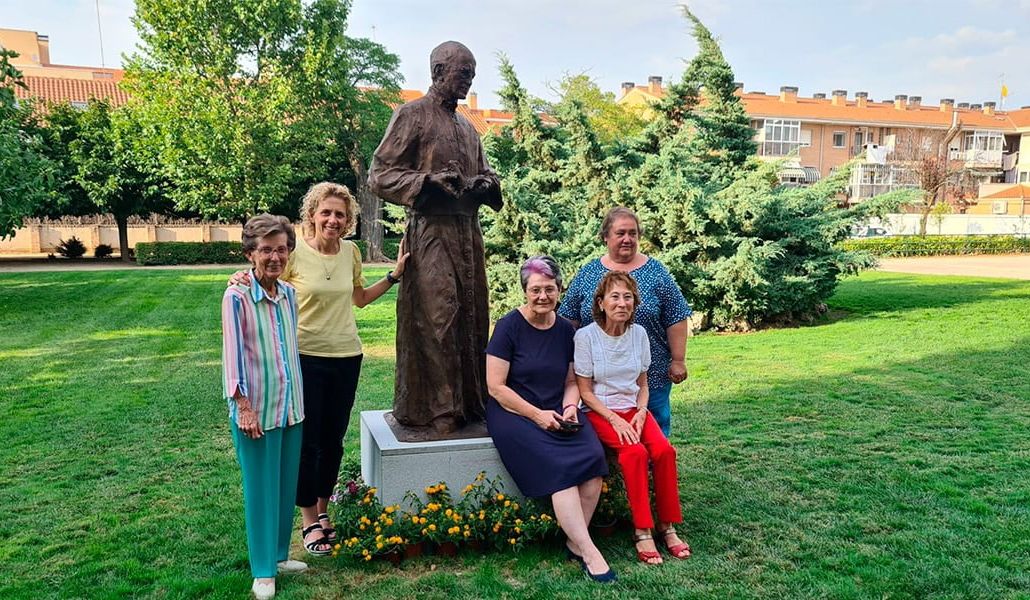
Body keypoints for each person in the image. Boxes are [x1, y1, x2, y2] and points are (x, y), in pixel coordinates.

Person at [229, 182, 408, 557]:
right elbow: (267, 277)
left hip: (347, 355)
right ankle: (308, 518)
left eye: (340, 214)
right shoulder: (294, 254)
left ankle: (324, 511)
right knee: (307, 442)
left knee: (333, 440)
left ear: (348, 220)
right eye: (326, 212)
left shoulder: (351, 252)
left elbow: (359, 299)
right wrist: (242, 277)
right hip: (304, 357)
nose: (332, 219)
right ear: (312, 215)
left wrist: (393, 276)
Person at [368, 40, 502, 436]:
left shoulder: (467, 127)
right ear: (439, 71)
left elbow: (486, 172)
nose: (469, 81)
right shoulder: (411, 115)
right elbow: (380, 175)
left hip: (468, 234)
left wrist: (486, 183)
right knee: (438, 317)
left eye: (472, 75)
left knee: (474, 316)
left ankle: (471, 403)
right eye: (464, 73)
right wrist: (427, 181)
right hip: (431, 232)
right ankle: (438, 409)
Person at [485, 256, 615, 583]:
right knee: (561, 472)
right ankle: (590, 552)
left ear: (559, 289)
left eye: (549, 289)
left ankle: (574, 542)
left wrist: (571, 407)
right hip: (515, 412)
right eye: (535, 290)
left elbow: (571, 381)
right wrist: (536, 415)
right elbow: (496, 387)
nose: (543, 296)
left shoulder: (566, 330)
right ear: (525, 291)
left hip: (559, 409)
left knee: (594, 461)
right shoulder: (508, 327)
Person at [574, 271, 692, 566]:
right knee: (634, 453)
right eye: (614, 296)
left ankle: (667, 525)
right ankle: (642, 530)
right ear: (601, 303)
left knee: (664, 451)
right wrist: (615, 420)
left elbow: (643, 384)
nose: (622, 303)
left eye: (628, 297)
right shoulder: (586, 337)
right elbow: (584, 392)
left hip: (634, 409)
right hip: (601, 411)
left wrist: (641, 411)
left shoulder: (639, 334)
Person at [221, 214, 307, 599]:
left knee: (285, 485)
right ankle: (262, 570)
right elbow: (233, 355)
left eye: (282, 250)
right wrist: (242, 405)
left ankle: (279, 556)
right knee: (260, 489)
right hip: (255, 409)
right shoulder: (236, 297)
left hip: (291, 405)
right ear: (250, 254)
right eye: (266, 250)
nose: (275, 257)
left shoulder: (289, 294)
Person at [558, 206, 691, 436]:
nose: (627, 239)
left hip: (650, 376)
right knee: (607, 436)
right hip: (598, 381)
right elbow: (568, 319)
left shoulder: (656, 272)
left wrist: (678, 360)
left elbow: (676, 316)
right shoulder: (588, 273)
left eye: (633, 233)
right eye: (620, 233)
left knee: (654, 432)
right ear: (605, 237)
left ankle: (654, 456)